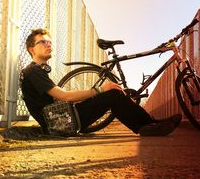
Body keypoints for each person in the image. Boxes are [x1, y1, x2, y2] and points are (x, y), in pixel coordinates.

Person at [20, 28, 181, 136]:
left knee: (113, 95)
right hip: (60, 123)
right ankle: (148, 126)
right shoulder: (33, 71)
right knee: (112, 94)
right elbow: (64, 96)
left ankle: (149, 125)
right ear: (32, 49)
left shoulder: (36, 70)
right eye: (43, 42)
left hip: (62, 118)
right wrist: (100, 90)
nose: (48, 44)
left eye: (49, 42)